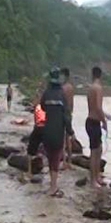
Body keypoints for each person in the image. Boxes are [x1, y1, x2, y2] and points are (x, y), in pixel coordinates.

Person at [40, 65, 74, 197]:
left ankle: (52, 185)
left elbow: (42, 107)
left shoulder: (46, 93)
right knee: (56, 158)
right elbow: (66, 116)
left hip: (47, 129)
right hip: (59, 131)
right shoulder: (62, 95)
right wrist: (70, 131)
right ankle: (54, 186)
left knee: (50, 157)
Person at [86, 66, 111, 188]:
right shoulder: (99, 88)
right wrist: (104, 122)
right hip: (94, 122)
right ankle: (93, 180)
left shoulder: (90, 88)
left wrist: (105, 115)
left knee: (98, 149)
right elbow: (98, 107)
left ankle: (97, 177)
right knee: (95, 152)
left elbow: (93, 107)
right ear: (100, 76)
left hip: (90, 121)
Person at [61, 67, 74, 170]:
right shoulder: (71, 87)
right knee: (68, 138)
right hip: (69, 113)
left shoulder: (63, 88)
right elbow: (72, 103)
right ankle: (69, 161)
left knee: (63, 139)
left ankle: (64, 161)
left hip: (63, 113)